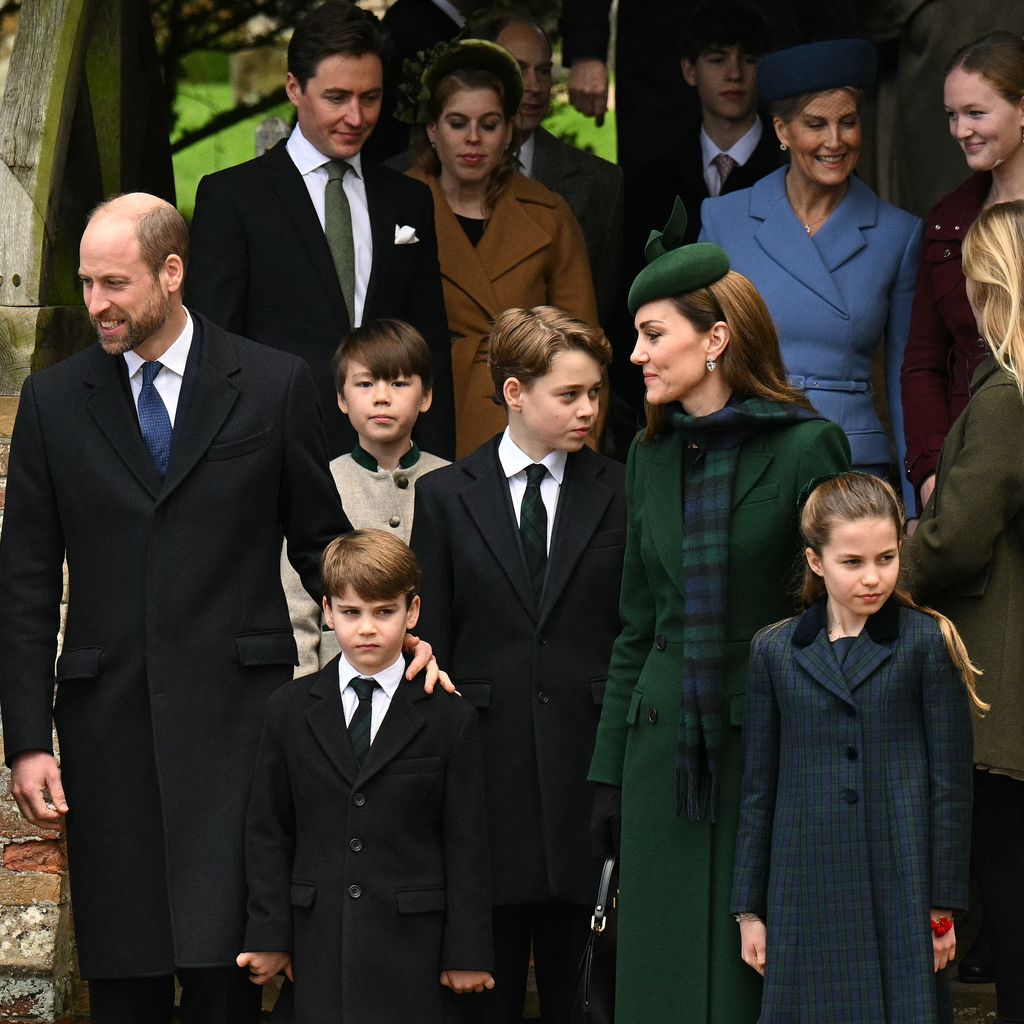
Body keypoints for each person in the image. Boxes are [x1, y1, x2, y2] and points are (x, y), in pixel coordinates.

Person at [0, 194, 351, 1023]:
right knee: (123, 981)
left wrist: (400, 637)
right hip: (106, 726)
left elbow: (322, 543)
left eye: (113, 283)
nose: (95, 305)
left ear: (171, 272)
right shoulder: (53, 401)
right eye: (85, 284)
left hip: (241, 724)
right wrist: (25, 740)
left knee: (229, 976)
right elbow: (23, 582)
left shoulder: (271, 383)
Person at [587, 201, 851, 1024]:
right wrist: (606, 773)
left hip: (766, 744)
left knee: (751, 985)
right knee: (660, 977)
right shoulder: (647, 450)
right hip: (660, 747)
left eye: (652, 334)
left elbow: (838, 620)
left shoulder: (809, 446)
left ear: (715, 338)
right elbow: (637, 621)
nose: (635, 355)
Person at [411, 306, 626, 1024]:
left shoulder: (621, 492)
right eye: (569, 395)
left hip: (589, 766)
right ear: (513, 393)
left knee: (588, 989)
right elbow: (430, 639)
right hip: (484, 768)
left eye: (595, 392)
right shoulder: (443, 496)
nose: (588, 409)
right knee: (482, 988)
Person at [733, 472, 980, 1023]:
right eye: (853, 562)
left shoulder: (924, 642)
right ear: (816, 562)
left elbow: (950, 787)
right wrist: (750, 909)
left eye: (887, 558)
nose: (874, 577)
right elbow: (758, 789)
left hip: (901, 876)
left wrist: (941, 909)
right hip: (804, 883)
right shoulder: (774, 650)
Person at [239, 530, 493, 1022]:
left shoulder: (449, 717)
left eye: (384, 611)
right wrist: (269, 935)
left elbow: (468, 842)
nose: (367, 628)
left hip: (413, 947)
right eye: (352, 613)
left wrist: (468, 951)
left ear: (412, 612)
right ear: (328, 611)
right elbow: (268, 830)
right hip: (317, 942)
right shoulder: (289, 710)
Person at [186, 0, 454, 459]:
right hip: (272, 454)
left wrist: (438, 466)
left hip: (390, 463)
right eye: (337, 97)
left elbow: (429, 347)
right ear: (294, 88)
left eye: (370, 98)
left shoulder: (408, 199)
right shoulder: (233, 198)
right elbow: (213, 353)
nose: (356, 117)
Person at [700, 38, 921, 508]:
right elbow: (697, 352)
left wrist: (913, 500)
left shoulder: (898, 234)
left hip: (849, 463)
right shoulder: (724, 219)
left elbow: (907, 379)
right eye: (816, 124)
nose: (834, 142)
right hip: (747, 452)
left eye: (848, 122)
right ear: (782, 130)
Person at [903, 199, 1024, 1024]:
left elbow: (959, 537)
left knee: (1009, 884)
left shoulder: (1005, 394)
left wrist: (879, 566)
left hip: (1000, 675)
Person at [399, 39, 599, 458]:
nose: (473, 139)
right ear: (432, 130)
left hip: (529, 427)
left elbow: (583, 345)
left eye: (488, 125)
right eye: (457, 123)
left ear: (508, 132)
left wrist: (582, 451)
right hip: (422, 420)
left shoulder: (547, 214)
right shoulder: (395, 206)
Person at [900, 31, 1024, 513]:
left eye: (976, 113)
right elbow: (923, 363)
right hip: (970, 466)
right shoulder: (947, 220)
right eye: (952, 115)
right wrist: (930, 469)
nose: (959, 130)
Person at [283, 318, 450, 676]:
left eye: (399, 382)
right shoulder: (319, 482)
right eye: (365, 383)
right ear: (341, 398)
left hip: (432, 680)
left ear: (426, 396)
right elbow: (298, 608)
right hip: (338, 679)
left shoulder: (454, 481)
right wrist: (306, 692)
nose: (381, 397)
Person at [470, 10, 624, 330]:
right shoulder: (417, 178)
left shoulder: (600, 183)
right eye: (518, 69)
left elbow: (601, 308)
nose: (534, 85)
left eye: (543, 71)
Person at [627, 0, 778, 254]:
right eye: (718, 60)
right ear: (690, 70)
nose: (734, 73)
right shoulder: (651, 182)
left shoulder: (793, 167)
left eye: (749, 60)